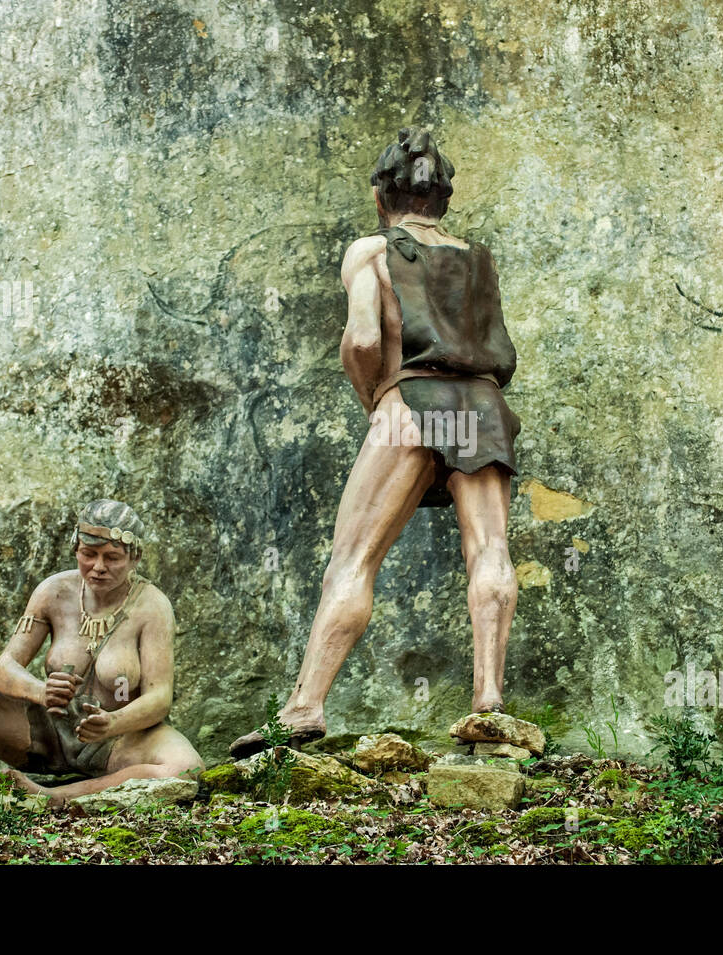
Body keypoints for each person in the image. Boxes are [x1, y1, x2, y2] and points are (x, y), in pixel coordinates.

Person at [230, 127, 521, 758]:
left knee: (354, 559)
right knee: (490, 549)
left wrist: (377, 400)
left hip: (409, 399)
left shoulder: (370, 250)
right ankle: (489, 701)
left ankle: (304, 708)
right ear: (443, 196)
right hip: (482, 403)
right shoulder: (480, 258)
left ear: (379, 194)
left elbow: (363, 339)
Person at [0, 500, 204, 804]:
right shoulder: (54, 591)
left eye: (112, 557)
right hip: (46, 731)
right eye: (88, 554)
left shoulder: (153, 606)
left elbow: (159, 698)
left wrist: (113, 722)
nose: (98, 567)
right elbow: (5, 667)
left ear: (135, 558)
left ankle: (52, 797)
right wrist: (41, 692)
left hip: (120, 740)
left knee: (186, 768)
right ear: (75, 549)